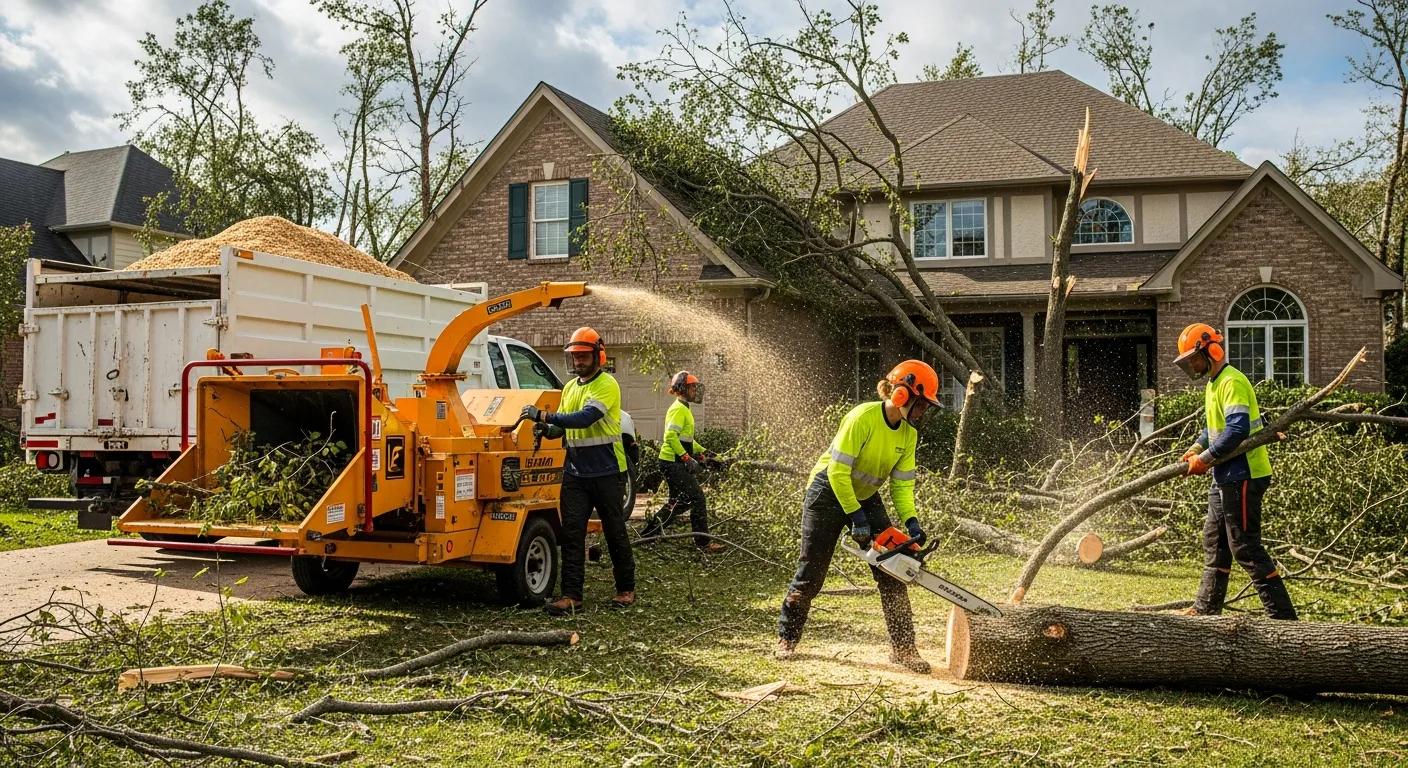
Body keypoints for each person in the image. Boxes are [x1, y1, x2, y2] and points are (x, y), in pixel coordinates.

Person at [775, 360, 938, 673]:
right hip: (827, 492)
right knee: (813, 569)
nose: (922, 413)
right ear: (903, 395)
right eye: (920, 405)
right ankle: (787, 637)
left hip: (863, 495)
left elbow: (902, 487)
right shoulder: (862, 417)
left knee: (892, 570)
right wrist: (857, 519)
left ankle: (903, 649)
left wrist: (912, 523)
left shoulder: (908, 436)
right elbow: (837, 471)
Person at [1173, 322, 1296, 620]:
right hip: (1224, 474)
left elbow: (1238, 428)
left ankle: (1282, 619)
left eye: (1194, 357)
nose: (1192, 364)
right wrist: (1195, 448)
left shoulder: (1232, 381)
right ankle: (1205, 608)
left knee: (1244, 545)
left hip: (1244, 473)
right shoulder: (1215, 383)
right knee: (1215, 540)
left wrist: (1206, 458)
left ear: (1210, 351)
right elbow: (1214, 428)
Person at [521, 327, 636, 614]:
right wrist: (546, 429)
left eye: (584, 355)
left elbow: (586, 418)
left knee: (614, 532)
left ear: (598, 355)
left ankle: (626, 589)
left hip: (607, 471)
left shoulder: (607, 384)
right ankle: (572, 595)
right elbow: (562, 427)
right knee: (572, 534)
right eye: (576, 356)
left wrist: (545, 414)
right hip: (576, 472)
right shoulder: (570, 389)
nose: (580, 361)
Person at [640, 371, 726, 554]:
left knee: (679, 501)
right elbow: (670, 436)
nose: (695, 390)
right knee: (697, 498)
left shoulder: (684, 408)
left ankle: (648, 535)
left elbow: (687, 439)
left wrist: (705, 453)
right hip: (672, 462)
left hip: (671, 462)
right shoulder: (678, 409)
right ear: (683, 388)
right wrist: (686, 458)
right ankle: (703, 544)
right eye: (693, 387)